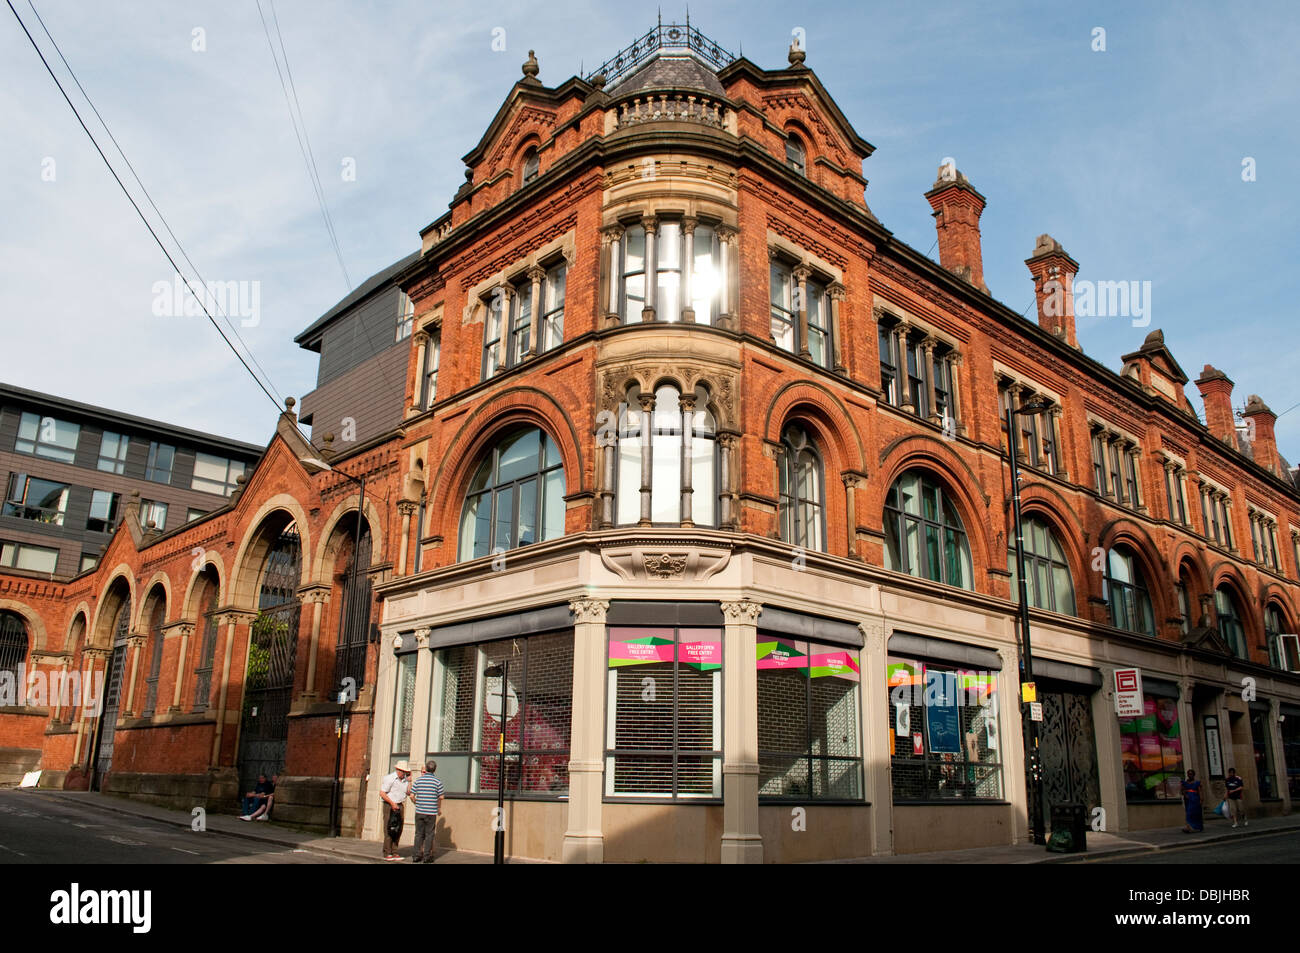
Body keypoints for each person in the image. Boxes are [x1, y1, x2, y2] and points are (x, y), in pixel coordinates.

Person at [409, 760, 445, 864]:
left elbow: (411, 795)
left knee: (418, 834)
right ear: (435, 769)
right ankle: (426, 856)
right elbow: (441, 797)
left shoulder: (418, 781)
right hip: (431, 812)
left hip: (419, 811)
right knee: (429, 834)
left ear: (426, 769)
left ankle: (416, 856)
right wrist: (437, 807)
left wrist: (417, 803)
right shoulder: (437, 782)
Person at [380, 760, 413, 861]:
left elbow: (408, 792)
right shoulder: (390, 778)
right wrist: (392, 803)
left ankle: (394, 851)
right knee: (389, 828)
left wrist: (410, 781)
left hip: (400, 805)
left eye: (406, 772)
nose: (404, 774)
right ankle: (387, 852)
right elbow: (382, 793)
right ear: (398, 770)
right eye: (403, 772)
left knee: (398, 828)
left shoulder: (405, 780)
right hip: (390, 805)